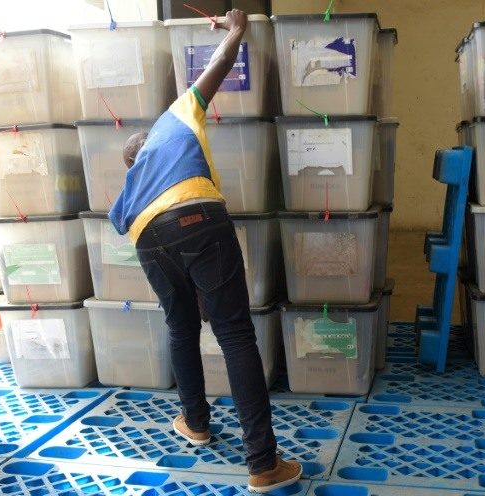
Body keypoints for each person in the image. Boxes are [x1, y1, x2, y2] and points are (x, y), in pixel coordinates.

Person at [108, 9, 302, 493]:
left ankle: (195, 422)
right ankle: (263, 464)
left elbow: (122, 224)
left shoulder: (130, 189)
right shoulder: (173, 118)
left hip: (147, 237)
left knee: (180, 326)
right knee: (234, 335)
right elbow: (217, 66)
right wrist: (237, 29)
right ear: (148, 141)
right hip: (196, 215)